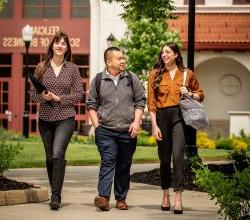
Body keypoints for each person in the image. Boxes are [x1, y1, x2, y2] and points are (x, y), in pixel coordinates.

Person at [147, 42, 204, 214]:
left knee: (178, 156)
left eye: (168, 52)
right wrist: (154, 125)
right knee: (164, 159)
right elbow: (151, 103)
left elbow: (200, 94)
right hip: (162, 117)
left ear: (176, 55)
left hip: (179, 116)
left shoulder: (187, 74)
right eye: (162, 52)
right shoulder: (154, 74)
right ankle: (165, 195)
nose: (164, 55)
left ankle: (178, 198)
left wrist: (190, 93)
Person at [87, 47, 146, 211]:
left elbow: (140, 101)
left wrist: (136, 122)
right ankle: (104, 198)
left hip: (128, 130)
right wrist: (97, 127)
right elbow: (91, 105)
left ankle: (121, 198)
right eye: (119, 58)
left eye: (123, 58)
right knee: (108, 162)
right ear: (109, 61)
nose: (123, 61)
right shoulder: (98, 80)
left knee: (124, 165)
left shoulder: (131, 78)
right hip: (105, 130)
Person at [30, 31, 83, 210]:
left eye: (64, 44)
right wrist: (43, 97)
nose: (60, 46)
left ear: (67, 48)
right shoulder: (41, 67)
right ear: (52, 45)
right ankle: (55, 189)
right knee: (49, 157)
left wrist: (58, 98)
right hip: (45, 118)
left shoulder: (73, 69)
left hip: (65, 118)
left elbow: (78, 94)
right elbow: (32, 95)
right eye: (57, 42)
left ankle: (55, 196)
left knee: (58, 154)